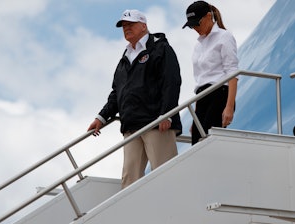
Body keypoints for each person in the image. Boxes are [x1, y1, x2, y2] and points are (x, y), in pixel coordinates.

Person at [87, 9, 182, 189]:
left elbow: (172, 82)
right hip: (131, 126)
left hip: (157, 123)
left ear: (144, 26)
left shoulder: (161, 49)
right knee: (129, 180)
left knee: (164, 175)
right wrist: (101, 117)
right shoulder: (124, 58)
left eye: (130, 24)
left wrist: (167, 114)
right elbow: (117, 93)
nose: (126, 28)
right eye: (123, 26)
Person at [183, 1, 239, 145]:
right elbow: (200, 80)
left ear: (209, 16)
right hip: (202, 97)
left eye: (197, 23)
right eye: (191, 25)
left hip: (219, 93)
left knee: (209, 141)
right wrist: (196, 116)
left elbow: (232, 72)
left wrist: (229, 106)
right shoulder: (198, 45)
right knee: (196, 140)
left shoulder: (224, 36)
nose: (195, 28)